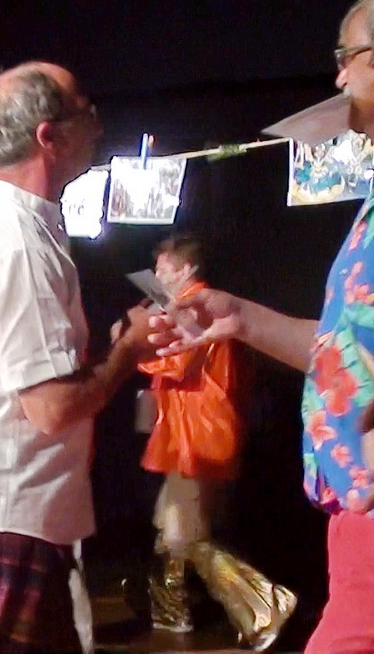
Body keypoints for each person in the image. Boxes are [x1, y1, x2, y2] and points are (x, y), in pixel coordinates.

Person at [149, 0, 374, 650]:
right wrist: (239, 318)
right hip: (371, 512)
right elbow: (346, 349)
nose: (338, 77)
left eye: (347, 56)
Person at [0, 61, 155, 652]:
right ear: (49, 136)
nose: (98, 122)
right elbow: (52, 407)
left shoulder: (11, 224)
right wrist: (130, 350)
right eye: (85, 109)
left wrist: (112, 348)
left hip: (12, 516)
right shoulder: (14, 237)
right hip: (2, 518)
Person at [130, 235, 294, 649]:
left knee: (183, 534)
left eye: (164, 268)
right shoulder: (185, 306)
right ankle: (169, 612)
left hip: (199, 435)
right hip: (189, 432)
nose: (158, 274)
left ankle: (265, 606)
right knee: (168, 526)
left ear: (186, 269)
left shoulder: (196, 306)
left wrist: (131, 346)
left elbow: (176, 361)